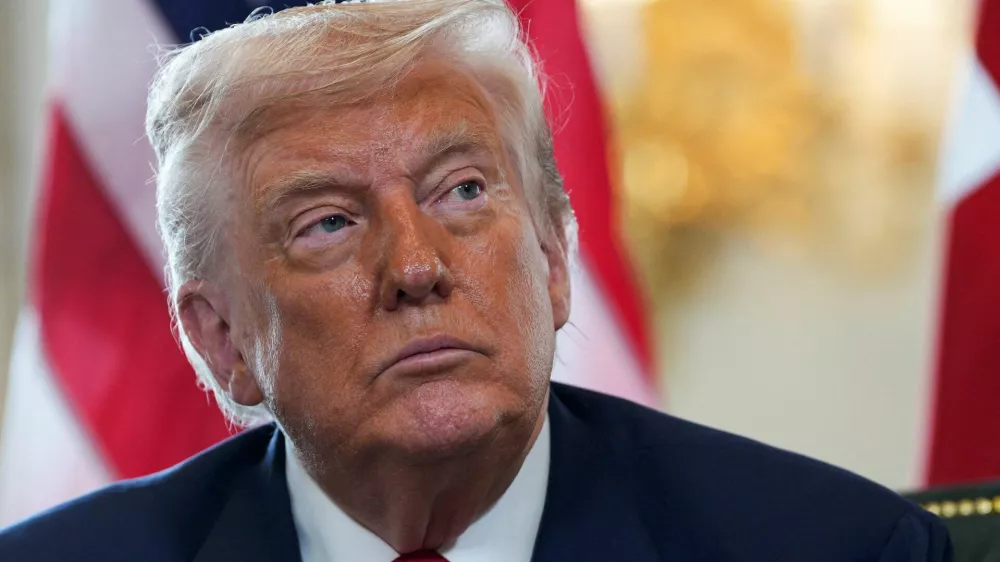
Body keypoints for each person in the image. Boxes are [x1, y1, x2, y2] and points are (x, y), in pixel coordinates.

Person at [0, 0, 951, 560]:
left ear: (551, 260)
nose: (416, 268)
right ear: (221, 340)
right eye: (328, 223)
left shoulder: (828, 549)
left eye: (461, 193)